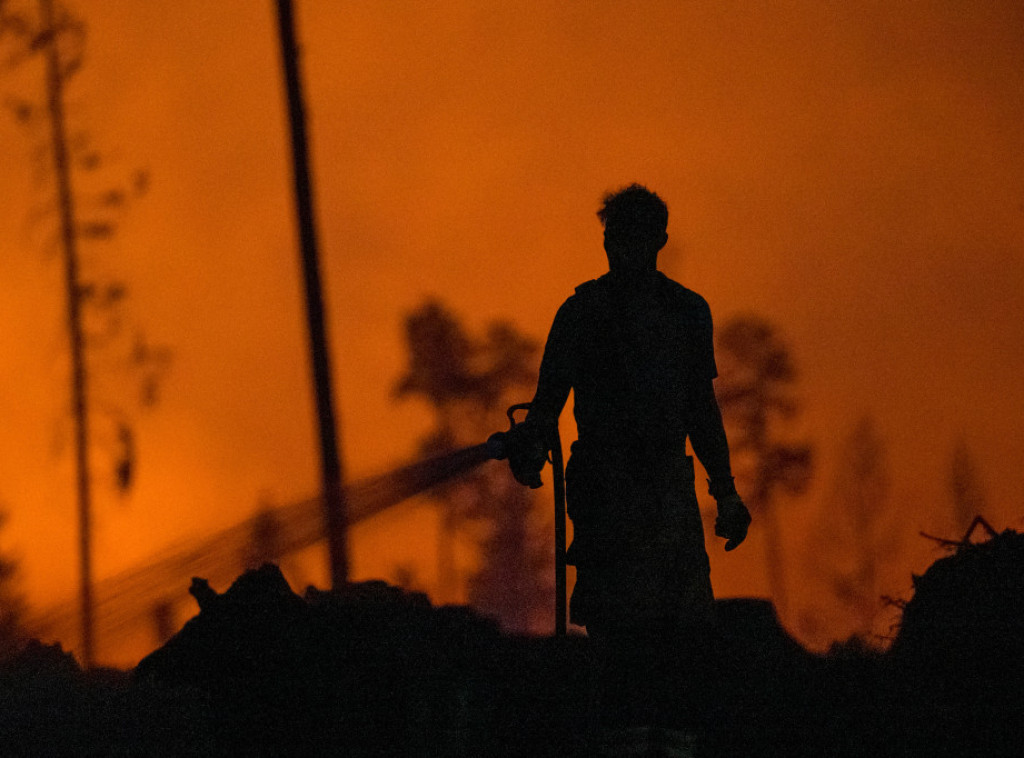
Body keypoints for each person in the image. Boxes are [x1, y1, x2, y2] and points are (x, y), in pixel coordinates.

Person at [508, 184, 750, 757]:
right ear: (606, 241)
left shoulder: (688, 314)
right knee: (621, 630)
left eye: (633, 239)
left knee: (684, 626)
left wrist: (726, 490)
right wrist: (531, 445)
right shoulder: (583, 312)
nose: (622, 250)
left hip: (668, 488)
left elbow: (701, 408)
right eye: (614, 239)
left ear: (658, 241)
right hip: (607, 490)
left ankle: (674, 745)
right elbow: (550, 401)